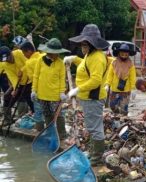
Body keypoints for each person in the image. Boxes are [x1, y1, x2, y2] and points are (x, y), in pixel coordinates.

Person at [65, 24, 109, 166]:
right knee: (92, 126)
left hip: (93, 97)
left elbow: (95, 80)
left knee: (95, 128)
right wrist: (74, 59)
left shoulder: (97, 57)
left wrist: (78, 89)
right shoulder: (89, 55)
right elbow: (85, 66)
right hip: (87, 97)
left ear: (91, 44)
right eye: (82, 44)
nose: (82, 47)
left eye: (84, 44)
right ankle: (94, 152)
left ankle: (96, 158)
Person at [31, 38, 69, 139]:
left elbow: (62, 79)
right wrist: (33, 90)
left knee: (59, 115)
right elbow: (36, 75)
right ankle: (50, 133)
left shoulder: (60, 63)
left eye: (57, 53)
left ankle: (62, 135)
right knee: (47, 114)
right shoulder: (40, 60)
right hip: (42, 94)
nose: (56, 55)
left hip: (55, 95)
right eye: (54, 53)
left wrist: (62, 92)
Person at [105, 43, 136, 115]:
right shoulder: (114, 63)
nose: (124, 56)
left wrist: (133, 88)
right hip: (114, 89)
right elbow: (110, 75)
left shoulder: (130, 64)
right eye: (122, 54)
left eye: (126, 55)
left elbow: (132, 77)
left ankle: (123, 122)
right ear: (119, 53)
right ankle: (117, 116)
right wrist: (107, 84)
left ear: (128, 54)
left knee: (124, 108)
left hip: (126, 90)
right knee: (112, 106)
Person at [20, 40, 45, 131]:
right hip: (50, 89)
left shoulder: (29, 62)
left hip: (38, 89)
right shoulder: (44, 56)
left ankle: (39, 130)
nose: (23, 55)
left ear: (29, 51)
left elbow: (32, 78)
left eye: (24, 52)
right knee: (49, 111)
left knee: (38, 111)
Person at [0, 46, 28, 125]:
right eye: (5, 60)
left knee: (23, 97)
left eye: (8, 58)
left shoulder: (19, 53)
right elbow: (12, 77)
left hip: (29, 80)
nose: (8, 61)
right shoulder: (5, 64)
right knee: (7, 96)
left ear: (11, 53)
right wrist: (16, 88)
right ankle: (7, 119)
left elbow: (29, 63)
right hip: (18, 83)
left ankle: (22, 118)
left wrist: (22, 70)